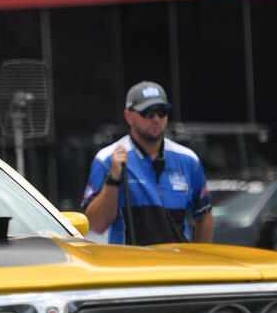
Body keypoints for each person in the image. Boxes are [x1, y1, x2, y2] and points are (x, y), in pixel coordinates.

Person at [82, 80, 212, 245]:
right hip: (132, 267)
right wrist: (113, 179)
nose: (156, 119)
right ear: (129, 116)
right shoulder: (107, 159)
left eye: (162, 111)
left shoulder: (188, 160)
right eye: (148, 112)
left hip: (179, 266)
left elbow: (204, 215)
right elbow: (96, 225)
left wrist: (199, 260)